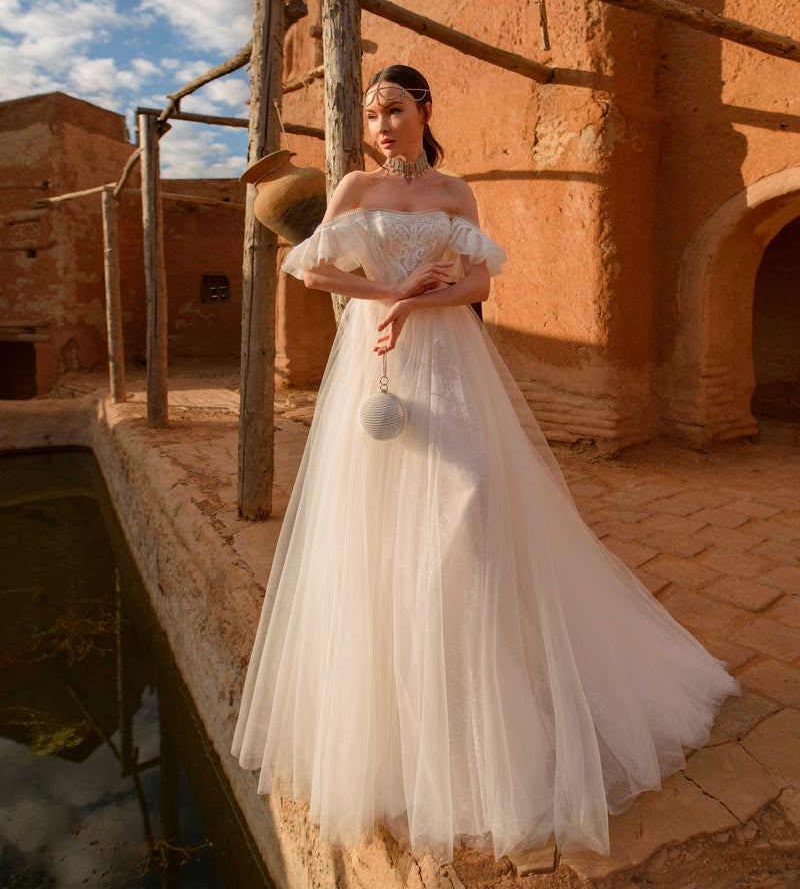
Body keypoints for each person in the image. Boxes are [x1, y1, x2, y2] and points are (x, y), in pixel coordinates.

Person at [231, 64, 741, 865]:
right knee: (381, 526)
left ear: (425, 109)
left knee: (467, 509)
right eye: (372, 114)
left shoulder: (456, 194)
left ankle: (490, 713)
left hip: (451, 364)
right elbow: (312, 268)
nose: (382, 124)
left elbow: (478, 282)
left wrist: (415, 299)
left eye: (394, 109)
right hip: (380, 370)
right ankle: (405, 735)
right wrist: (387, 293)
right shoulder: (357, 187)